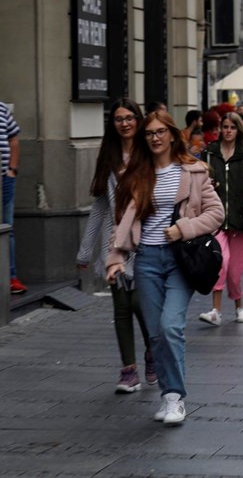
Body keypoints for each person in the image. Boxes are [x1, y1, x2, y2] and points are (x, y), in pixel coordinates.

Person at [106, 110, 224, 425]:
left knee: (171, 326)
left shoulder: (194, 171)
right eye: (149, 133)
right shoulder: (135, 174)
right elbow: (121, 222)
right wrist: (115, 258)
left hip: (179, 260)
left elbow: (216, 213)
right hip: (145, 260)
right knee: (156, 333)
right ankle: (168, 397)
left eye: (161, 132)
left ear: (172, 134)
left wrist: (183, 228)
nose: (155, 137)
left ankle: (175, 397)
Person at [76, 98, 154, 393]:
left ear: (138, 119)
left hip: (144, 237)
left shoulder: (148, 153)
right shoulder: (108, 156)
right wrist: (85, 250)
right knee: (121, 305)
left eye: (129, 117)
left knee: (139, 303)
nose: (124, 123)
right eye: (119, 119)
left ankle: (151, 350)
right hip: (114, 242)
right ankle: (128, 371)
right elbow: (99, 206)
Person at [199, 112, 243, 326]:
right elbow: (201, 174)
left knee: (234, 272)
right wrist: (208, 184)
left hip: (240, 218)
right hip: (216, 218)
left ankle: (239, 307)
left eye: (232, 127)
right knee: (220, 263)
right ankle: (215, 310)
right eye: (225, 127)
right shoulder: (210, 151)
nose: (228, 131)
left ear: (238, 129)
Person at [0, 102, 25, 294]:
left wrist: (12, 170)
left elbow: (13, 139)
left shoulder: (1, 109)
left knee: (7, 227)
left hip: (4, 179)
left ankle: (10, 277)